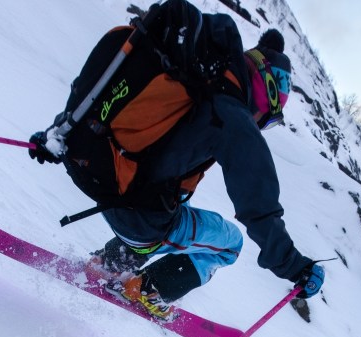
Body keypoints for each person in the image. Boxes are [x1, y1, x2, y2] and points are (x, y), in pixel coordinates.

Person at [29, 27, 324, 320]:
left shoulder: (190, 76)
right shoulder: (233, 115)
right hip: (139, 218)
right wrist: (296, 266)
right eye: (267, 120)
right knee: (231, 243)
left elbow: (107, 88)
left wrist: (60, 135)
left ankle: (109, 263)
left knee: (177, 203)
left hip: (96, 176)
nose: (260, 125)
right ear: (264, 96)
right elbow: (259, 207)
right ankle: (149, 289)